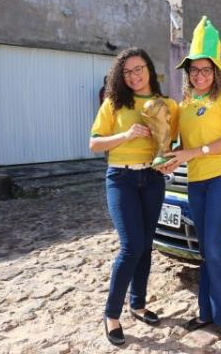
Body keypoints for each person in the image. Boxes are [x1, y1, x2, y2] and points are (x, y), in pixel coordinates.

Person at [161, 16, 221, 343]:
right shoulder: (183, 105)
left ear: (217, 71)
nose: (200, 75)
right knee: (207, 248)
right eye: (194, 70)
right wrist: (168, 160)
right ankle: (207, 312)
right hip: (197, 181)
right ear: (188, 74)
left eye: (206, 69)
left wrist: (192, 153)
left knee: (212, 245)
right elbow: (181, 146)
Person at [89, 47, 178, 346]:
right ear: (120, 76)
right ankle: (111, 314)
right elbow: (94, 144)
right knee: (131, 246)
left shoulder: (167, 104)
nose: (134, 76)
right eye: (127, 72)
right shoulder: (114, 103)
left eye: (138, 69)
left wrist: (167, 159)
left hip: (152, 179)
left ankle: (137, 304)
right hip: (121, 178)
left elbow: (171, 143)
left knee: (146, 245)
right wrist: (126, 136)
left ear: (149, 69)